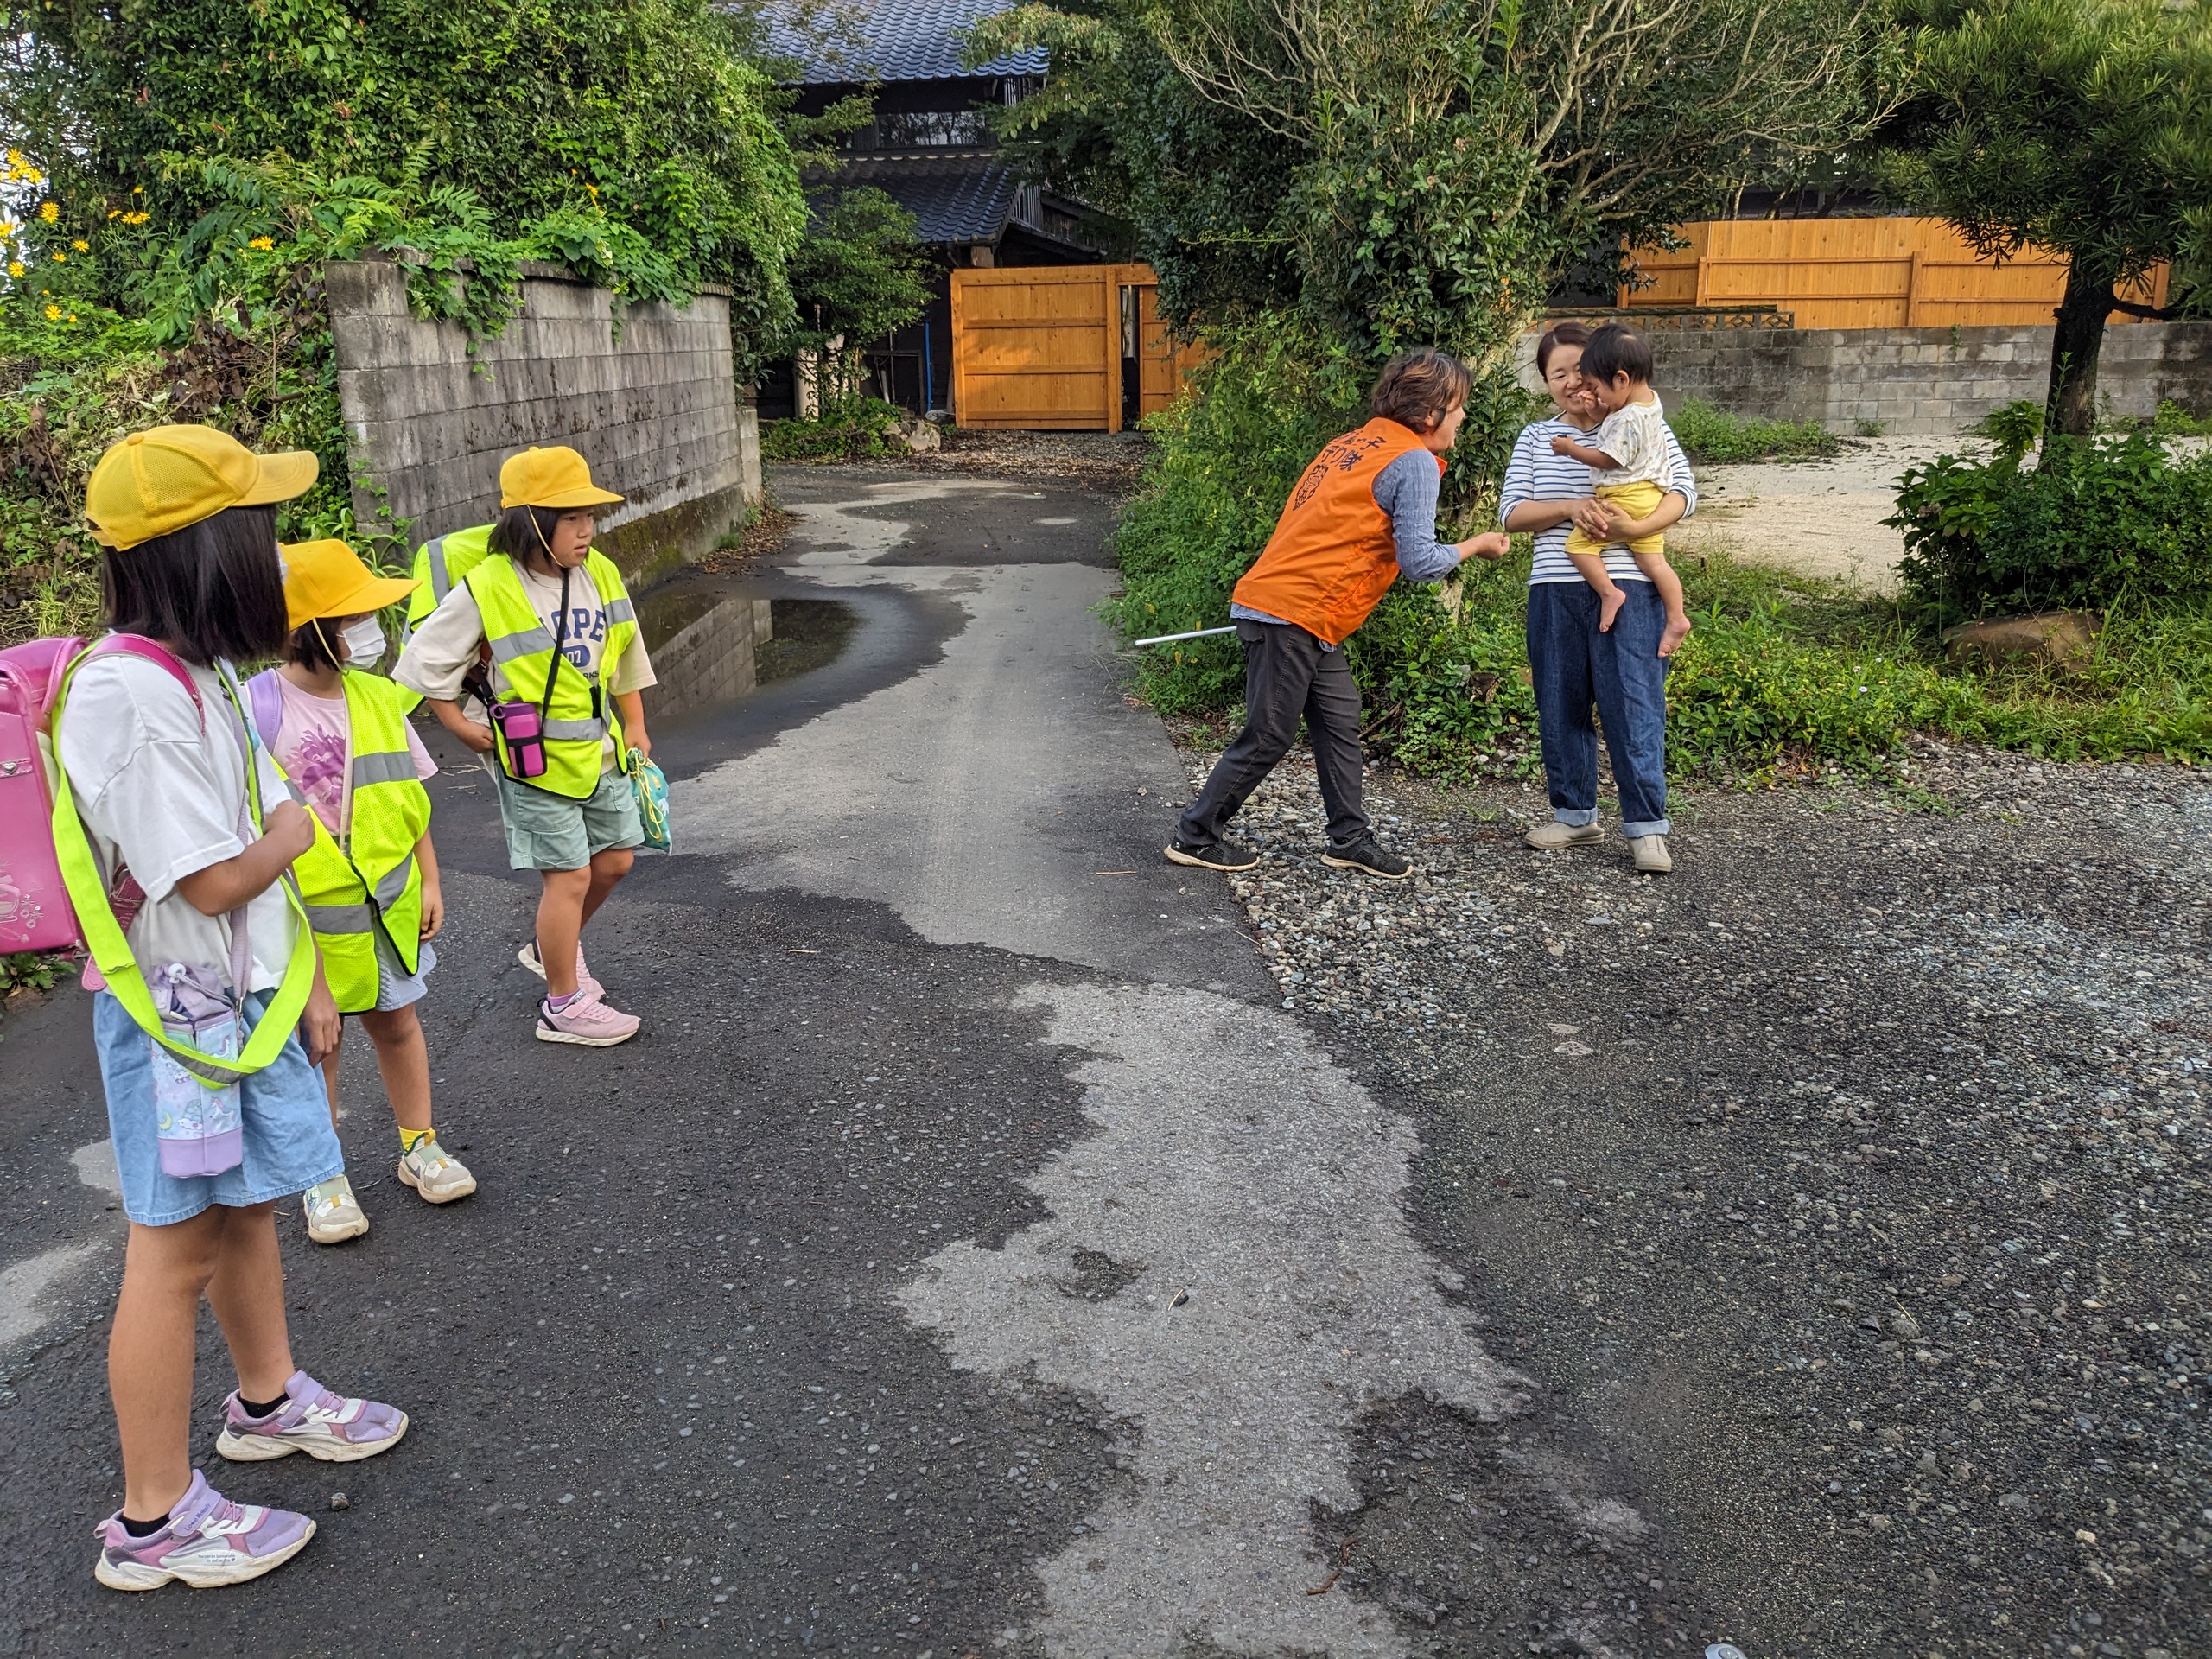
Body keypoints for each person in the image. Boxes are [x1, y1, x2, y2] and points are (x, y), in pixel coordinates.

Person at [61, 424, 409, 1592]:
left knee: (248, 1210)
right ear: (206, 549)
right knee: (173, 1253)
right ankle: (153, 1522)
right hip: (182, 1024)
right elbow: (215, 877)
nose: (276, 551)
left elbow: (248, 854)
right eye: (259, 528)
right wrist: (290, 835)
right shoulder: (127, 692)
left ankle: (266, 1404)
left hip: (239, 1001)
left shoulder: (199, 671)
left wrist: (299, 979)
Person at [1166, 347, 1511, 879]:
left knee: (1338, 722)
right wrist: (1477, 545)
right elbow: (1420, 562)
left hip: (1300, 611)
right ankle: (1196, 835)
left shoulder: (1351, 444)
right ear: (1430, 414)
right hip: (1294, 612)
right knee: (1269, 733)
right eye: (1459, 405)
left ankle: (1350, 839)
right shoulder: (1414, 460)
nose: (1463, 416)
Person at [245, 538, 474, 1244]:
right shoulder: (258, 708)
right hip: (308, 920)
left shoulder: (376, 697)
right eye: (352, 619)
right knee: (320, 1041)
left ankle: (419, 1146)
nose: (369, 632)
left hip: (389, 906)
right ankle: (323, 1176)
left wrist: (430, 877)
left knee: (398, 1023)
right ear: (307, 629)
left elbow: (409, 799)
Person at [394, 445, 656, 1046]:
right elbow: (424, 662)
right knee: (569, 877)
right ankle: (563, 1004)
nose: (587, 530)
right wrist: (459, 726)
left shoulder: (601, 572)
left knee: (616, 860)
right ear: (531, 522)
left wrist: (636, 723)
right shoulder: (488, 584)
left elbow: (626, 650)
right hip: (531, 762)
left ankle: (549, 945)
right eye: (571, 518)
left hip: (600, 751)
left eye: (590, 516)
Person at [1500, 321, 1698, 874]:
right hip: (1555, 586)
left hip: (1631, 586)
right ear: (1546, 383)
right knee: (1560, 703)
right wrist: (1569, 508)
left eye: (1578, 369)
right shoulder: (1537, 438)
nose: (1571, 383)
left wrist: (1637, 529)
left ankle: (1647, 829)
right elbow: (1511, 513)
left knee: (1634, 705)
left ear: (1604, 371)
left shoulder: (1642, 421)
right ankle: (1574, 816)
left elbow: (1684, 493)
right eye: (1556, 374)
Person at [1548, 323, 1693, 655]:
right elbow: (1615, 420)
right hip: (1650, 497)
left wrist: (1572, 449)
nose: (1594, 394)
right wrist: (1598, 408)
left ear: (1622, 379)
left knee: (1578, 548)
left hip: (1624, 496)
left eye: (1596, 387)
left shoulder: (1627, 419)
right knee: (1655, 563)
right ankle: (1676, 617)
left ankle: (1609, 592)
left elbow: (1608, 457)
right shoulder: (1648, 404)